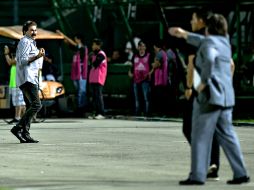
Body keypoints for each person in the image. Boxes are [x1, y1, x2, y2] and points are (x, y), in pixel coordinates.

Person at [169, 14, 250, 185]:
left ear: (208, 28)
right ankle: (240, 172)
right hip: (227, 98)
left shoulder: (209, 44)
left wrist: (203, 83)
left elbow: (210, 57)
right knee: (228, 136)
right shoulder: (225, 42)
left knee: (199, 136)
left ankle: (197, 175)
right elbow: (203, 42)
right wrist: (183, 34)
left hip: (211, 98)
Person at [178, 9, 221, 180]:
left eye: (193, 18)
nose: (191, 21)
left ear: (201, 20)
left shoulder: (196, 38)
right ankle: (213, 165)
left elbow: (190, 64)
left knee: (188, 126)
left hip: (200, 88)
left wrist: (188, 87)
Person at [10, 20, 45, 143]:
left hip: (29, 78)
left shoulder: (30, 42)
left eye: (35, 30)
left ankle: (25, 134)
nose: (34, 32)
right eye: (32, 30)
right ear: (25, 31)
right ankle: (18, 128)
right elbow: (23, 60)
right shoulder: (25, 42)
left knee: (31, 106)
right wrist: (37, 56)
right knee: (37, 105)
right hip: (27, 79)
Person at [56, 30, 88, 113]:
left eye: (76, 39)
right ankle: (79, 107)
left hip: (81, 73)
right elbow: (69, 43)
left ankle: (82, 107)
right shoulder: (77, 49)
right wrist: (61, 37)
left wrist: (63, 34)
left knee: (82, 91)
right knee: (78, 91)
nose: (74, 41)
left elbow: (73, 44)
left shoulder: (83, 48)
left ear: (79, 40)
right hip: (76, 73)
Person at [128, 40, 151, 116]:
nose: (141, 48)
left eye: (143, 46)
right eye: (140, 46)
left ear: (145, 47)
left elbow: (152, 66)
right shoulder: (135, 56)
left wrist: (149, 74)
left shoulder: (149, 55)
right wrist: (130, 72)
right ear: (138, 47)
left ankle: (146, 112)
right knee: (137, 97)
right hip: (136, 79)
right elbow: (132, 66)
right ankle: (137, 112)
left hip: (145, 80)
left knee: (145, 97)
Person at [4, 45, 26, 124]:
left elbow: (10, 62)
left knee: (19, 101)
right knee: (19, 102)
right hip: (15, 82)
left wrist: (6, 54)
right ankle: (23, 118)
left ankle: (18, 118)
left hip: (18, 82)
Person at [88, 38, 107, 119]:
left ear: (98, 45)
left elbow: (95, 64)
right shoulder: (94, 54)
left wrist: (91, 61)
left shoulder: (101, 54)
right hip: (93, 78)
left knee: (98, 96)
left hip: (99, 78)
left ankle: (101, 113)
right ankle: (96, 113)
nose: (92, 46)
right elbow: (90, 64)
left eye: (94, 44)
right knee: (94, 96)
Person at [149, 40, 169, 115]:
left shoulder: (159, 54)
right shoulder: (164, 53)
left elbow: (156, 65)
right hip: (163, 79)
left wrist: (152, 64)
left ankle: (160, 112)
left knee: (159, 97)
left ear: (155, 46)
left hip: (159, 79)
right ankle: (162, 112)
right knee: (162, 97)